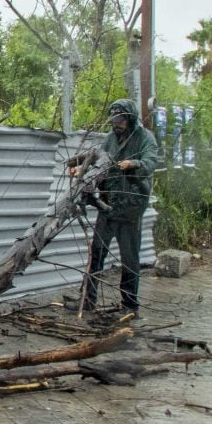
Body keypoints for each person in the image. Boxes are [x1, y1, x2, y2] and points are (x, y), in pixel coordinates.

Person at [66, 98, 157, 322]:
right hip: (108, 206)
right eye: (114, 119)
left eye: (120, 119)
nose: (116, 123)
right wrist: (81, 171)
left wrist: (134, 165)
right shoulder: (109, 140)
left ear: (130, 118)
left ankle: (130, 304)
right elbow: (100, 167)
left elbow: (151, 162)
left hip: (130, 210)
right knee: (96, 252)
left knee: (129, 258)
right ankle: (88, 299)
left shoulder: (145, 138)